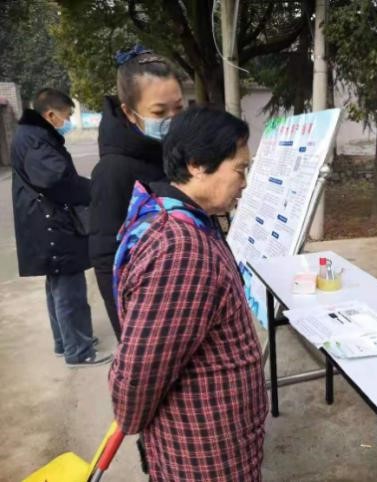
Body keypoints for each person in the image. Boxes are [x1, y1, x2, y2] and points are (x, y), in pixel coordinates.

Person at [109, 107, 268, 481]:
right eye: (240, 170)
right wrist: (131, 420)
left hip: (208, 441)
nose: (245, 183)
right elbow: (137, 377)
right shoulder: (182, 249)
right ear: (197, 164)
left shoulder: (182, 217)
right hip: (203, 456)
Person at [11, 88, 111, 367]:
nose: (67, 121)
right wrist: (94, 190)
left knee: (57, 285)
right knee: (70, 289)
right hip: (51, 223)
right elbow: (56, 180)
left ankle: (64, 342)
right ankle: (78, 351)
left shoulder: (32, 135)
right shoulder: (36, 139)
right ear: (51, 114)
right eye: (66, 116)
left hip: (45, 221)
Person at [90, 45, 183, 341]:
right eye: (159, 112)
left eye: (178, 108)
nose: (171, 118)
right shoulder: (112, 171)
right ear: (129, 113)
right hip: (149, 318)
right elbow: (106, 261)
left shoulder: (172, 153)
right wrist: (129, 336)